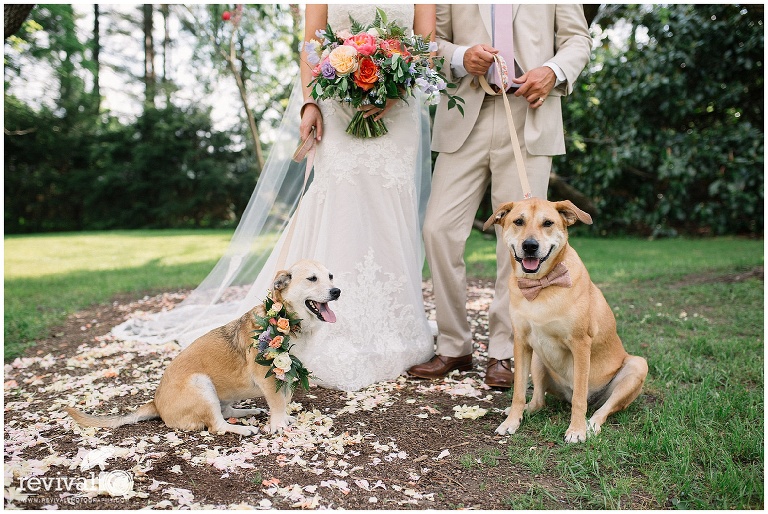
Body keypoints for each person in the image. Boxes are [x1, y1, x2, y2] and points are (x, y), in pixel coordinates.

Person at [112, 4, 435, 392]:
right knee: (342, 202)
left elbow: (425, 41)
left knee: (388, 205)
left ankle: (395, 323)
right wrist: (311, 102)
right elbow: (310, 46)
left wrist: (395, 93)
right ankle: (323, 321)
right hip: (337, 105)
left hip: (399, 111)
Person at [408, 4, 592, 388]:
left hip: (530, 117)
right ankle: (454, 345)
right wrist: (460, 57)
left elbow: (578, 40)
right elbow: (426, 44)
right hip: (464, 116)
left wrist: (552, 72)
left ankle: (504, 352)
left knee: (518, 241)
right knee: (437, 229)